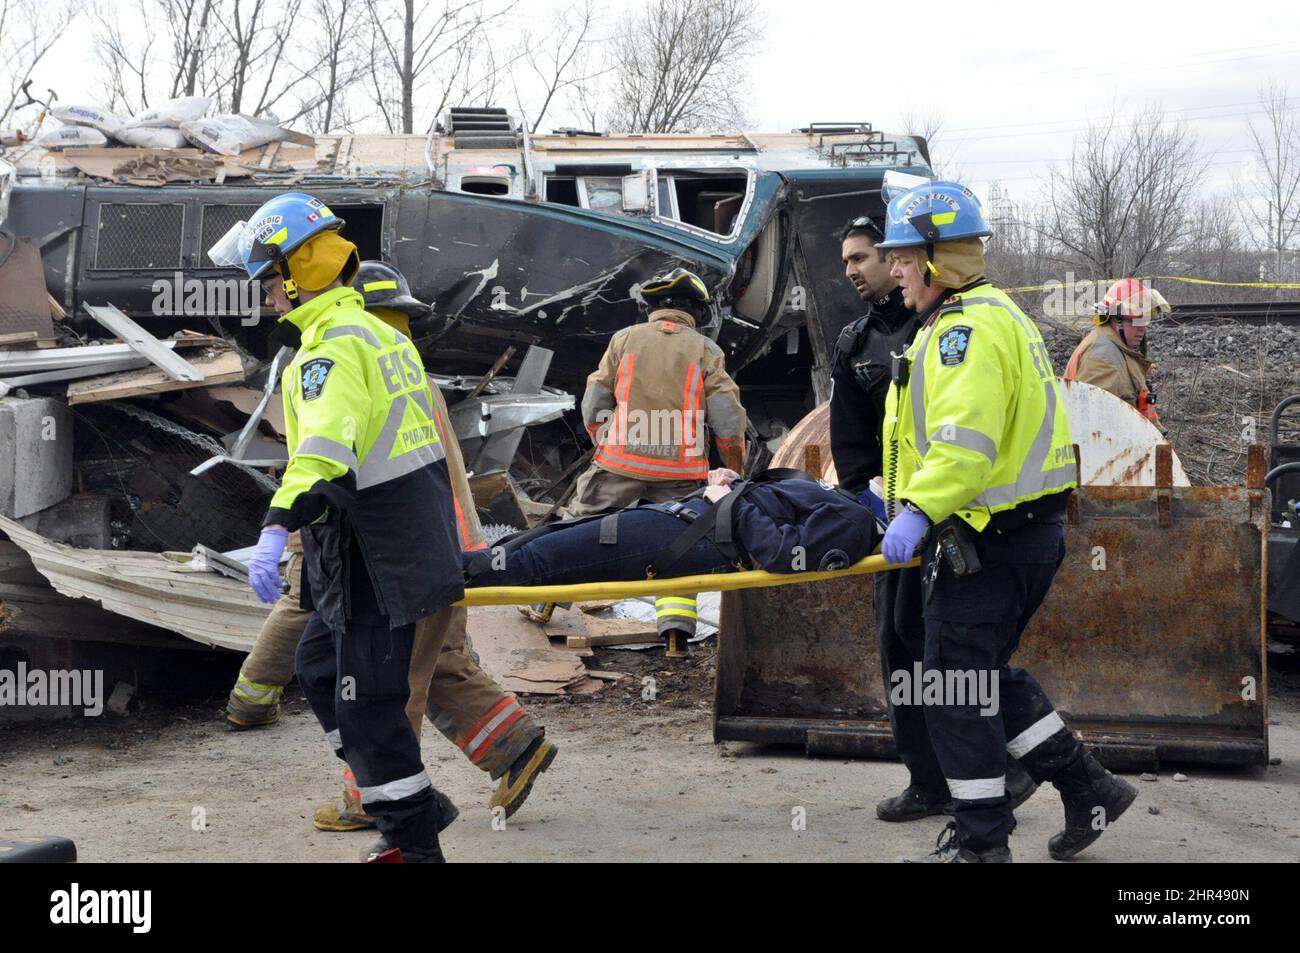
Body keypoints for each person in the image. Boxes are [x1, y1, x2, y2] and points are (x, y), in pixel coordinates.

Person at [875, 179, 1137, 863]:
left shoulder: (966, 331)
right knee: (971, 669)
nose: (894, 268)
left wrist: (917, 511)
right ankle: (1090, 787)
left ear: (937, 259)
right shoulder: (984, 315)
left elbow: (965, 444)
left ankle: (983, 842)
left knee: (954, 688)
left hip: (987, 539)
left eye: (904, 256)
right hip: (1010, 536)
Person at [291, 260, 555, 839]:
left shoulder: (363, 376)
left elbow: (338, 471)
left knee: (387, 686)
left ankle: (376, 801)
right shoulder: (408, 373)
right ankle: (515, 747)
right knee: (435, 668)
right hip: (439, 548)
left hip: (403, 561)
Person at [239, 193, 463, 863]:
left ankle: (413, 843)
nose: (270, 297)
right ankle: (413, 799)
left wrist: (277, 525)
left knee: (366, 706)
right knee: (314, 664)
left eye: (271, 279)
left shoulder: (328, 352)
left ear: (301, 267)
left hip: (378, 552)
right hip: (398, 539)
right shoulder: (380, 334)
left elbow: (326, 455)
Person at [564, 268, 748, 656]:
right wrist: (734, 465)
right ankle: (677, 634)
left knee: (577, 530)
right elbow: (728, 420)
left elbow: (595, 400)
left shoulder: (624, 340)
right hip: (681, 473)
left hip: (618, 465)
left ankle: (545, 603)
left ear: (652, 307)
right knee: (683, 542)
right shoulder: (706, 350)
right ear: (697, 311)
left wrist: (605, 440)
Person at [467, 468, 877, 589]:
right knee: (547, 537)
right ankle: (462, 568)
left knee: (545, 559)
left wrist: (727, 503)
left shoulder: (854, 521)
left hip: (695, 535)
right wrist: (732, 484)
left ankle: (450, 577)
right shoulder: (846, 502)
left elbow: (784, 554)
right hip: (686, 517)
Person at [1064, 277, 1169, 425]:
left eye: (1145, 320)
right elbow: (1095, 430)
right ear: (1116, 320)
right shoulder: (1102, 360)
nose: (1142, 328)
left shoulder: (1120, 347)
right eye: (1136, 320)